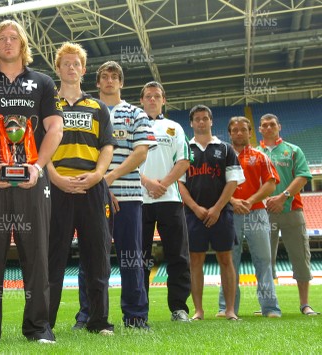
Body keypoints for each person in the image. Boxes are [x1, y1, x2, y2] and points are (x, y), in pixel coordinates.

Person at [0, 19, 63, 345]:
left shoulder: (44, 82)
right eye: (1, 38)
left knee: (37, 253)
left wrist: (37, 166)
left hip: (33, 177)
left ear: (23, 45)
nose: (7, 42)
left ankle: (39, 329)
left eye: (13, 37)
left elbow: (55, 128)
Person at [47, 43, 115, 335]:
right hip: (57, 189)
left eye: (76, 64)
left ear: (83, 70)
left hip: (91, 189)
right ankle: (43, 323)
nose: (71, 68)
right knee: (52, 259)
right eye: (66, 64)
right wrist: (54, 177)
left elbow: (107, 146)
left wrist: (98, 175)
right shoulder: (48, 104)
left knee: (97, 258)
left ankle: (99, 322)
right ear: (58, 69)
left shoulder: (98, 107)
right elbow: (40, 147)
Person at [102, 61, 156, 330]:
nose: (110, 81)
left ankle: (135, 316)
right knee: (93, 259)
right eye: (104, 77)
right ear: (98, 82)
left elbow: (141, 152)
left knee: (131, 257)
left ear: (121, 83)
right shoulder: (90, 112)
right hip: (94, 197)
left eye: (115, 77)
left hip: (129, 197)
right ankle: (91, 316)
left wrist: (109, 178)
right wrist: (98, 183)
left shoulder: (136, 114)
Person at [178, 104, 244, 321]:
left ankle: (230, 309)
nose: (201, 122)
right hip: (192, 214)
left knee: (226, 259)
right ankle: (198, 310)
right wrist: (195, 208)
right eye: (197, 119)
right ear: (191, 123)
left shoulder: (225, 149)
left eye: (205, 118)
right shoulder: (184, 149)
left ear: (211, 121)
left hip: (222, 213)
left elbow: (233, 181)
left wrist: (216, 208)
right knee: (195, 261)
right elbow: (179, 184)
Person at [217, 116, 281, 318]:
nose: (239, 133)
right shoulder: (221, 157)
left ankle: (270, 308)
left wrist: (250, 201)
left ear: (250, 132)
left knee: (263, 260)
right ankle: (226, 308)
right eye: (235, 130)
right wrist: (233, 201)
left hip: (257, 213)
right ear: (229, 133)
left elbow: (271, 183)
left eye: (243, 130)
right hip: (229, 213)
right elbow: (216, 184)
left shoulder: (260, 156)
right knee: (229, 261)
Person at [138, 81, 191, 322]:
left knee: (177, 255)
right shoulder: (132, 126)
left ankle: (178, 308)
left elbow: (183, 161)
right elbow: (122, 161)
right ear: (141, 100)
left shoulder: (175, 127)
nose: (152, 99)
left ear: (163, 100)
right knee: (139, 256)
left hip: (169, 198)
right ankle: (138, 309)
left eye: (156, 96)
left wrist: (163, 184)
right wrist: (148, 183)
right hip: (138, 199)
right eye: (147, 96)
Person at [257, 113, 318, 316]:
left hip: (292, 210)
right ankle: (268, 305)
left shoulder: (293, 150)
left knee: (300, 256)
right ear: (259, 129)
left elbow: (302, 177)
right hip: (264, 213)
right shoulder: (255, 153)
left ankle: (305, 304)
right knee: (265, 259)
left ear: (279, 127)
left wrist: (282, 197)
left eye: (272, 124)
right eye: (264, 125)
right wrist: (266, 201)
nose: (268, 128)